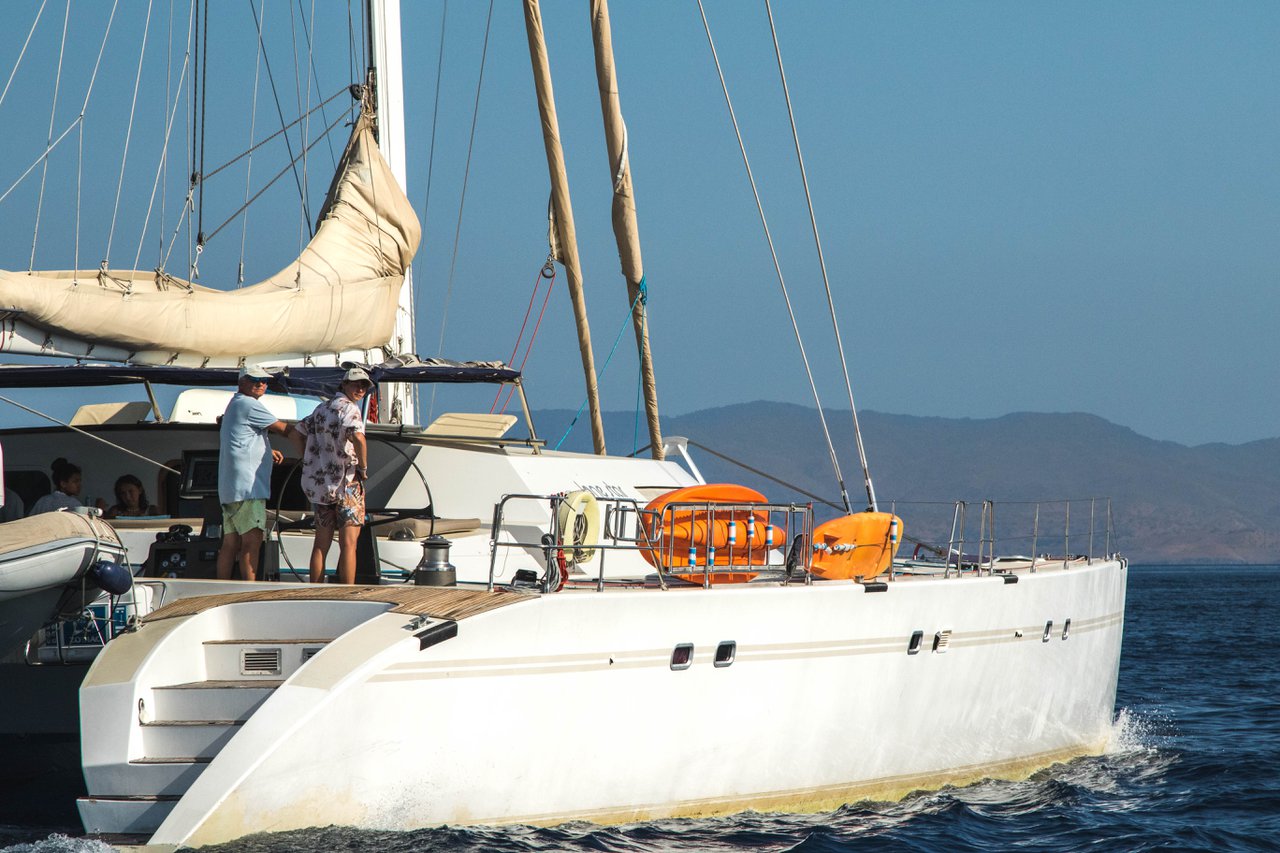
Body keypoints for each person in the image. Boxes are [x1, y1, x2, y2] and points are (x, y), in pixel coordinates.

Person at [287, 367, 371, 585]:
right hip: (347, 483)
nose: (360, 389)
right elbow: (359, 439)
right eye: (356, 384)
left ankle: (314, 590)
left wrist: (308, 459)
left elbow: (295, 433)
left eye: (364, 386)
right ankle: (347, 592)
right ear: (344, 384)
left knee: (320, 544)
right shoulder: (350, 409)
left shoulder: (321, 409)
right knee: (348, 545)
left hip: (321, 485)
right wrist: (363, 467)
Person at [217, 365, 289, 581]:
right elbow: (284, 429)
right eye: (255, 380)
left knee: (230, 544)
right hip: (249, 488)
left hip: (230, 489)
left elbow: (241, 440)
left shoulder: (234, 403)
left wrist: (267, 451)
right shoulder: (249, 404)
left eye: (264, 381)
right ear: (242, 382)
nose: (261, 384)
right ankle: (248, 590)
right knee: (252, 542)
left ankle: (221, 588)